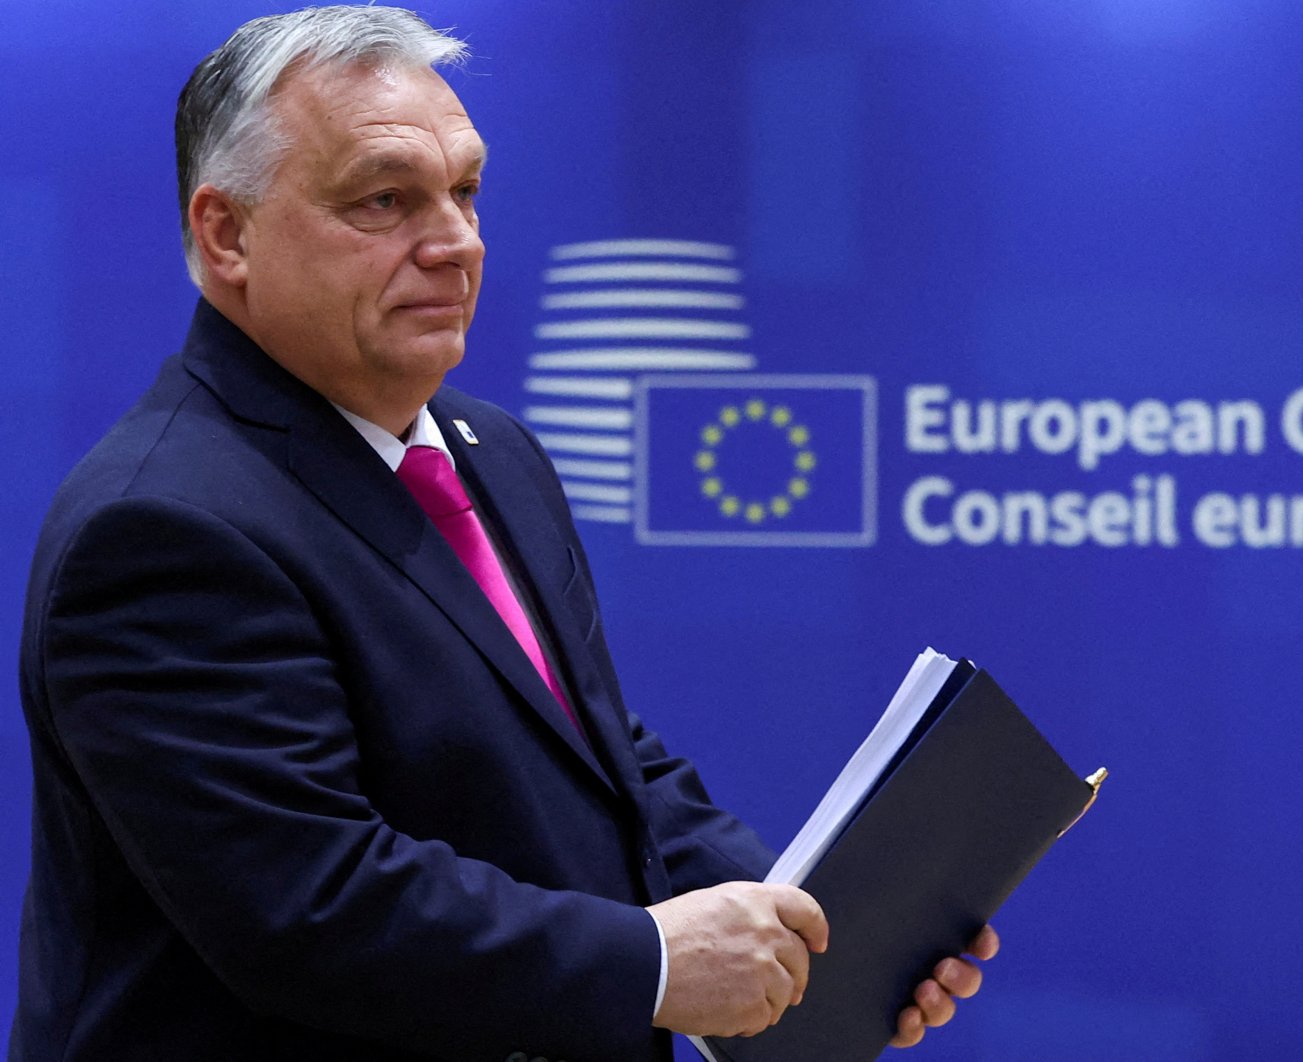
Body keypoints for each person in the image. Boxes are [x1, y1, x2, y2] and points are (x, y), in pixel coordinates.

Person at [11, 8, 997, 1060]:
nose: (454, 243)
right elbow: (311, 908)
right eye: (384, 200)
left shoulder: (495, 452)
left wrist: (806, 925)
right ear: (226, 233)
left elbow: (597, 763)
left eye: (465, 191)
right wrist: (660, 965)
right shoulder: (161, 526)